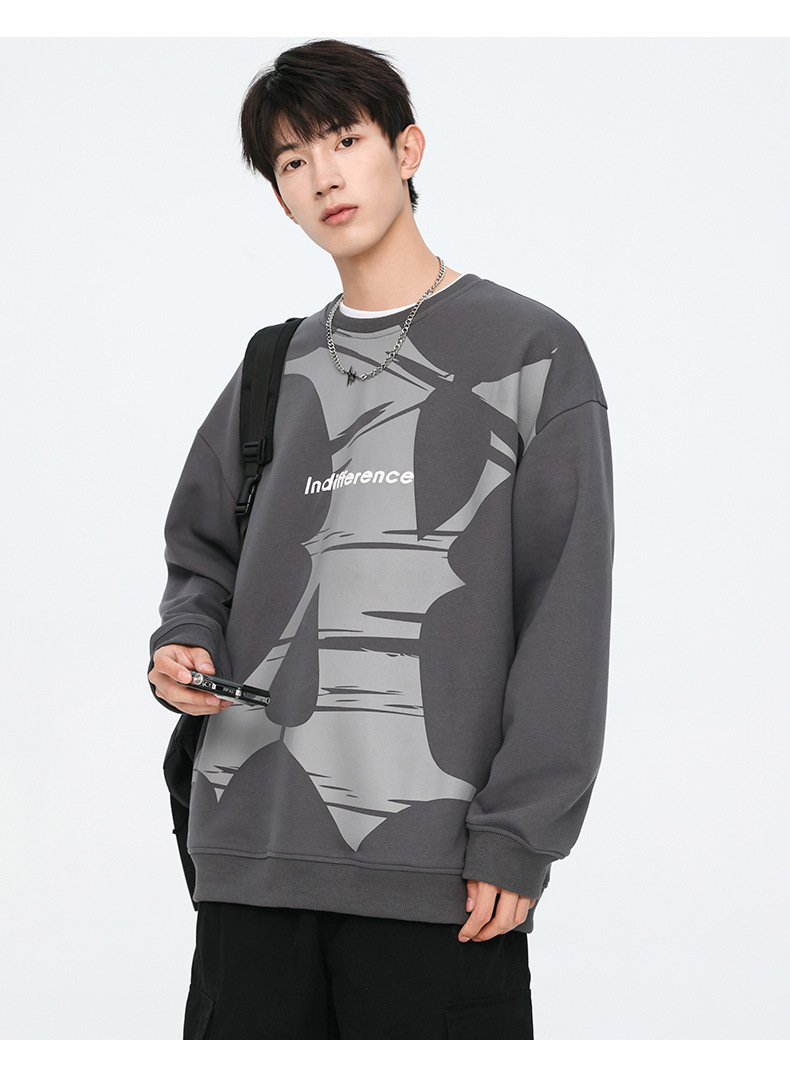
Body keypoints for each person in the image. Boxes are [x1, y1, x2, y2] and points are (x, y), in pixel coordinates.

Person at [147, 37, 615, 1041]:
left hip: (435, 870)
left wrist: (519, 834)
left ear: (407, 149)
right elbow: (203, 556)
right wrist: (182, 640)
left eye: (343, 140)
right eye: (292, 160)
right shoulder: (272, 367)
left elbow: (566, 608)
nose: (323, 176)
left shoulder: (531, 350)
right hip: (250, 855)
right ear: (280, 198)